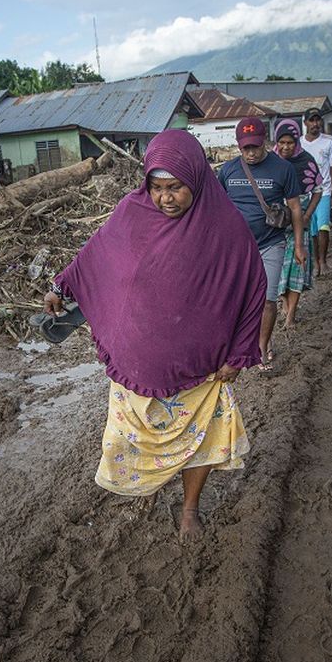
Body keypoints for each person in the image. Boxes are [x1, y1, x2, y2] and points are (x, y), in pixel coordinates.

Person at [43, 129, 266, 542]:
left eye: (176, 188)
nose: (166, 198)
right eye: (158, 187)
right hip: (138, 363)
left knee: (203, 440)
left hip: (203, 371)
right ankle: (147, 486)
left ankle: (189, 508)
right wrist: (61, 287)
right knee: (135, 437)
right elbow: (96, 255)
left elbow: (253, 289)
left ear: (196, 180)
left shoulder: (226, 229)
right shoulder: (133, 212)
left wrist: (239, 353)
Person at [217, 116, 307, 365]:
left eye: (255, 146)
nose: (251, 153)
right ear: (238, 146)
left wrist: (299, 245)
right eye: (246, 148)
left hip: (271, 243)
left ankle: (262, 345)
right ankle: (238, 342)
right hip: (236, 248)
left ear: (264, 142)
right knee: (237, 298)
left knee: (268, 299)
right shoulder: (228, 170)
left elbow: (296, 208)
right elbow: (216, 207)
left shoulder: (283, 169)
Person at [272, 119, 323, 328]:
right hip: (275, 222)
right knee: (278, 266)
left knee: (296, 264)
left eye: (290, 142)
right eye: (281, 142)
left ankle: (291, 315)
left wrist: (307, 214)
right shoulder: (270, 162)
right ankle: (285, 305)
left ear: (296, 142)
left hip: (299, 222)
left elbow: (318, 191)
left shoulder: (306, 160)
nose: (285, 147)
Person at [299, 107, 332, 277]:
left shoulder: (329, 142)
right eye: (312, 120)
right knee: (313, 231)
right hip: (306, 193)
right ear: (305, 123)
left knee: (324, 227)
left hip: (324, 191)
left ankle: (323, 261)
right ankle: (316, 260)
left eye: (318, 120)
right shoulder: (300, 144)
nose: (315, 124)